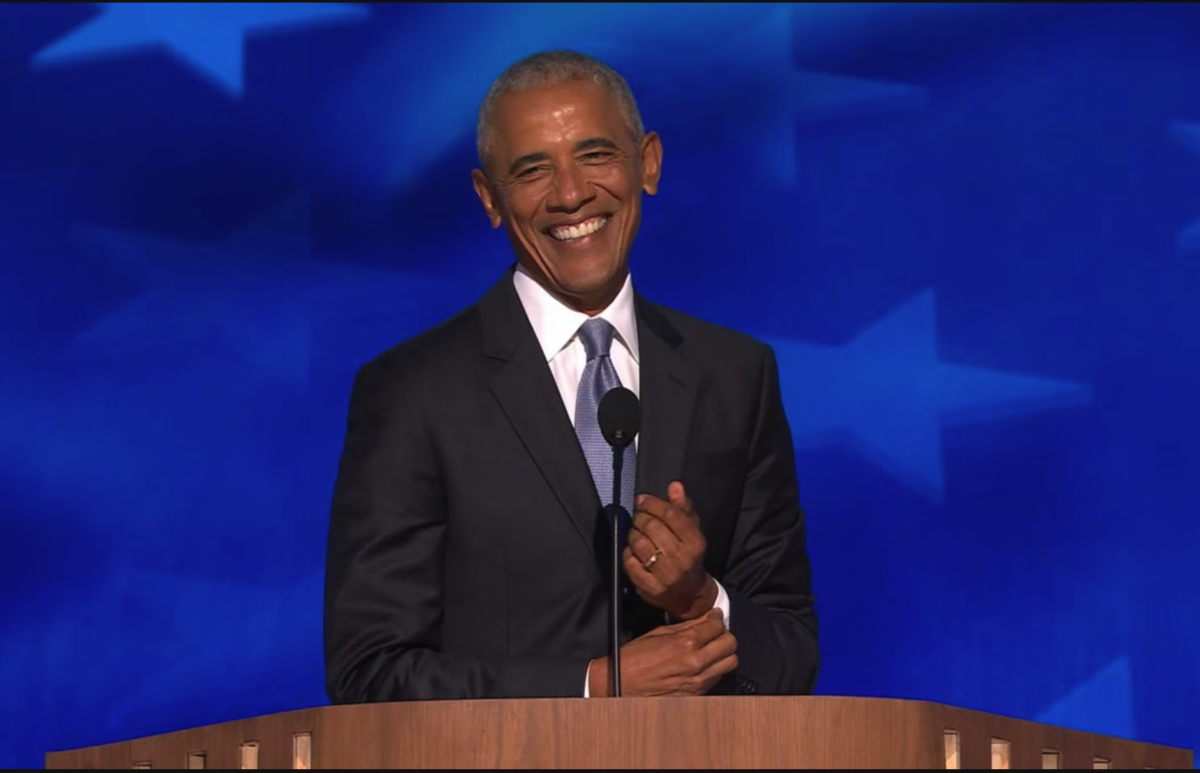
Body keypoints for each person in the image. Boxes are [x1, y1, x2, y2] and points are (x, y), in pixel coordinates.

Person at [323, 50, 819, 701]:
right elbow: (370, 673)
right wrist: (592, 688)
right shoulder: (413, 394)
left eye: (595, 156)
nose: (570, 193)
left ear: (648, 163)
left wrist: (698, 598)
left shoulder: (736, 375)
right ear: (489, 199)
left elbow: (792, 657)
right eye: (532, 170)